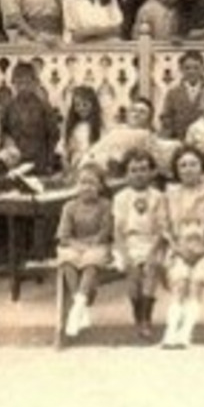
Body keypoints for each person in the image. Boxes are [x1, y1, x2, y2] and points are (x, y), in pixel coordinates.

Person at [158, 146, 204, 349]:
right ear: (176, 170)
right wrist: (178, 249)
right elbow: (165, 228)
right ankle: (170, 331)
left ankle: (186, 332)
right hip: (180, 247)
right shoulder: (170, 193)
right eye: (183, 165)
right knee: (180, 282)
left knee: (196, 282)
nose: (188, 169)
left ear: (202, 167)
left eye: (193, 164)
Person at [111, 149, 166, 338]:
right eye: (133, 170)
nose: (139, 174)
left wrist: (152, 253)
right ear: (126, 174)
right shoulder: (121, 197)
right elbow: (118, 230)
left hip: (153, 241)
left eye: (143, 169)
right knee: (133, 272)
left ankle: (146, 318)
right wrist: (125, 254)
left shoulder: (158, 196)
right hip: (128, 242)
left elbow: (161, 229)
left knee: (151, 269)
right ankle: (137, 313)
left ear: (152, 172)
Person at [56, 166, 114, 340]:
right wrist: (77, 246)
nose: (86, 187)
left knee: (91, 261)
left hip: (98, 245)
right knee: (67, 260)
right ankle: (80, 307)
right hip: (75, 245)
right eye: (82, 182)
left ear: (100, 186)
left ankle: (78, 305)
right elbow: (64, 235)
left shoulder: (105, 206)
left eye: (91, 183)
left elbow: (105, 232)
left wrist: (89, 246)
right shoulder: (69, 207)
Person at [0, 61, 61, 178]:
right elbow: (3, 131)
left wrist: (50, 162)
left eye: (27, 83)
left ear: (35, 83)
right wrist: (8, 143)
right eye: (19, 83)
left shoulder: (44, 107)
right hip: (15, 162)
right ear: (13, 83)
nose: (23, 87)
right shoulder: (9, 107)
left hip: (39, 161)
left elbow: (53, 136)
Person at [158, 50, 204, 140]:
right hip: (180, 139)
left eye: (196, 68)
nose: (191, 71)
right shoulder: (173, 93)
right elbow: (167, 118)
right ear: (181, 69)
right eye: (187, 68)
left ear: (203, 69)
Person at [62, 85, 106, 174]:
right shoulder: (72, 128)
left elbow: (103, 152)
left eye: (85, 104)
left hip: (93, 167)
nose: (81, 108)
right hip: (74, 168)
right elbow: (64, 152)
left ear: (93, 105)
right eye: (77, 105)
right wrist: (68, 168)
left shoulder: (100, 127)